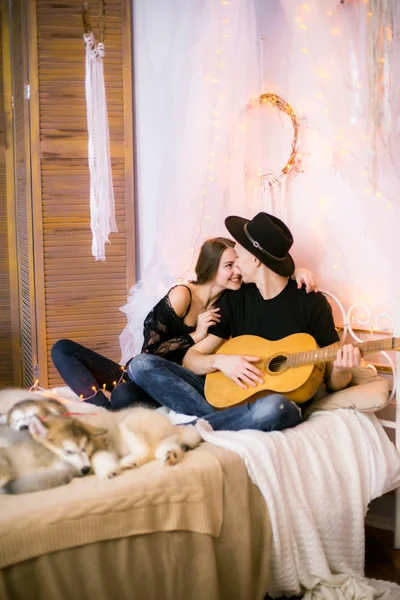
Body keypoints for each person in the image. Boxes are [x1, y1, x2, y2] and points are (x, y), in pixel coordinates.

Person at [127, 212, 361, 431]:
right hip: (227, 392)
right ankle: (217, 422)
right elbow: (190, 360)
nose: (236, 264)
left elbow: (334, 382)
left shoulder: (312, 303)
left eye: (238, 256)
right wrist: (221, 362)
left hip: (269, 403)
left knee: (277, 408)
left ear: (257, 260)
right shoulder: (235, 298)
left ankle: (206, 425)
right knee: (141, 364)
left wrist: (341, 369)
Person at [52, 236, 316, 410]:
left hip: (180, 381)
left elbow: (265, 273)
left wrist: (296, 272)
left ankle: (111, 407)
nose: (237, 271)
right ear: (212, 267)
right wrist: (196, 335)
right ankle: (100, 406)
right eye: (229, 265)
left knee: (123, 396)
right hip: (145, 369)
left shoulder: (231, 300)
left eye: (238, 264)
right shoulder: (183, 295)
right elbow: (150, 353)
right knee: (62, 348)